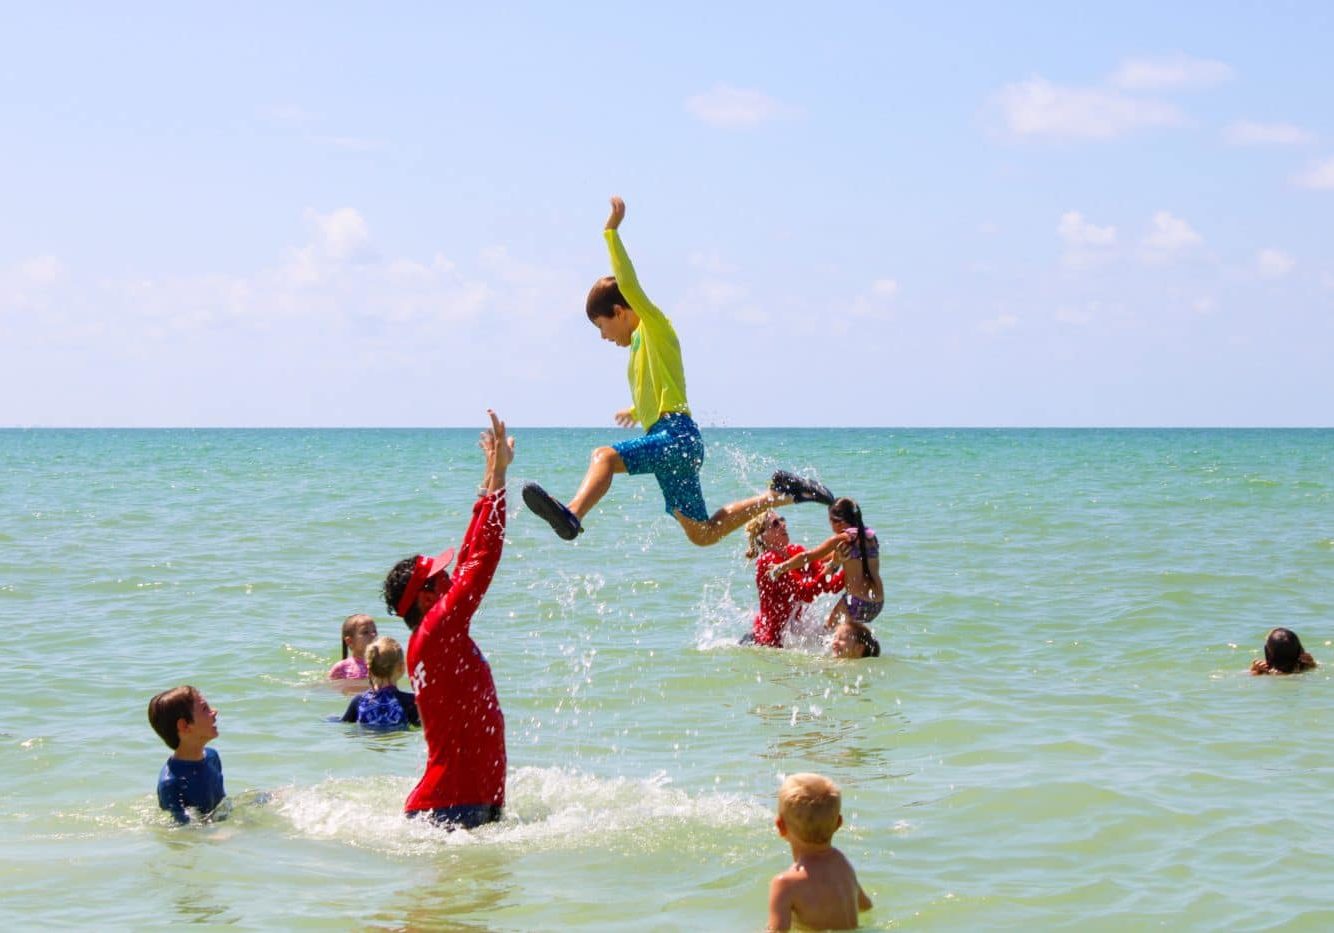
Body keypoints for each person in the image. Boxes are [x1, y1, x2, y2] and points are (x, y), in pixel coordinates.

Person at [522, 196, 833, 548]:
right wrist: (637, 411)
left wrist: (611, 233)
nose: (603, 336)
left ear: (620, 310)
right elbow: (659, 393)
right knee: (702, 534)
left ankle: (572, 515)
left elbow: (629, 284)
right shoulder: (639, 348)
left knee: (604, 457)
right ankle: (780, 494)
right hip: (676, 443)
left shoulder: (654, 325)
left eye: (602, 325)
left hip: (676, 437)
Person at [382, 410, 513, 830]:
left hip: (462, 803)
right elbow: (484, 558)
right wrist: (500, 488)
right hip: (449, 809)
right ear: (424, 597)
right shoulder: (436, 631)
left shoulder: (436, 633)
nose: (451, 577)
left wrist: (491, 477)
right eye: (441, 577)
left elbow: (472, 549)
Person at [767, 772, 872, 931]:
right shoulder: (841, 863)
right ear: (838, 823)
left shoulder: (785, 884)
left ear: (780, 826)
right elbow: (865, 907)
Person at [769, 498, 884, 629]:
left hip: (857, 602)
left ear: (838, 523)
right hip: (878, 603)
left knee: (827, 631)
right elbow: (828, 558)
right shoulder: (870, 537)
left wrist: (781, 567)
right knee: (848, 635)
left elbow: (808, 556)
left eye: (830, 521)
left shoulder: (842, 538)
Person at [743, 511, 845, 647]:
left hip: (786, 638)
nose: (783, 525)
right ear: (763, 536)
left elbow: (830, 585)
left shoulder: (796, 552)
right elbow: (806, 594)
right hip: (766, 642)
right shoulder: (767, 562)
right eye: (775, 524)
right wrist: (834, 564)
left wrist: (853, 566)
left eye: (782, 520)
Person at [148, 685, 227, 825]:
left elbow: (222, 807)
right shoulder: (170, 783)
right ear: (184, 726)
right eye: (205, 709)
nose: (214, 712)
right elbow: (184, 833)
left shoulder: (212, 757)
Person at [341, 635, 420, 728]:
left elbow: (344, 724)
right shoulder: (410, 702)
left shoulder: (358, 701)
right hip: (395, 741)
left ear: (369, 668)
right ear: (401, 667)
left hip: (369, 741)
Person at [1250, 627, 1318, 675]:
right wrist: (1312, 664)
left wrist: (1254, 671)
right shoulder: (1303, 668)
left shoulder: (1265, 671)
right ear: (1300, 651)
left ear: (1267, 653)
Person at [329, 613, 377, 680]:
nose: (373, 635)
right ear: (350, 641)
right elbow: (330, 686)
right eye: (365, 632)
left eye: (374, 631)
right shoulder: (342, 667)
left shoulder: (381, 663)